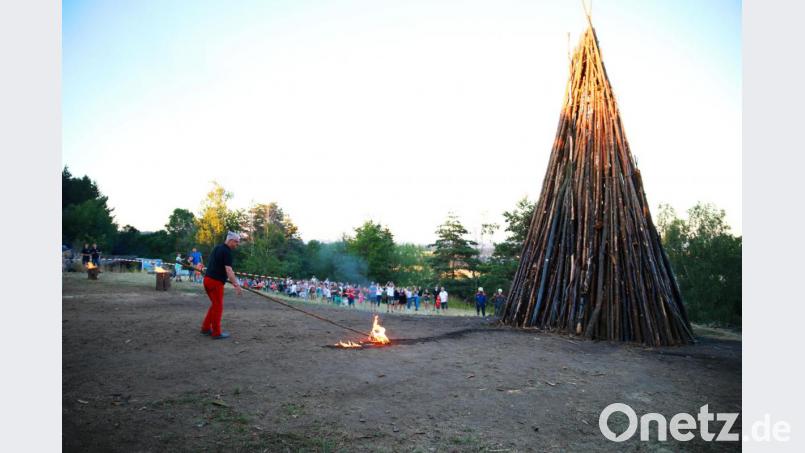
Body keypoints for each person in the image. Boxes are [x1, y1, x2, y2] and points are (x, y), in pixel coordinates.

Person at [200, 231, 243, 340]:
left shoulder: (217, 248)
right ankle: (216, 333)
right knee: (218, 307)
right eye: (236, 243)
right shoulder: (227, 252)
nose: (237, 245)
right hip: (215, 283)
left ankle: (205, 328)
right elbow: (229, 270)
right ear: (231, 240)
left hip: (207, 280)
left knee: (215, 305)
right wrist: (236, 285)